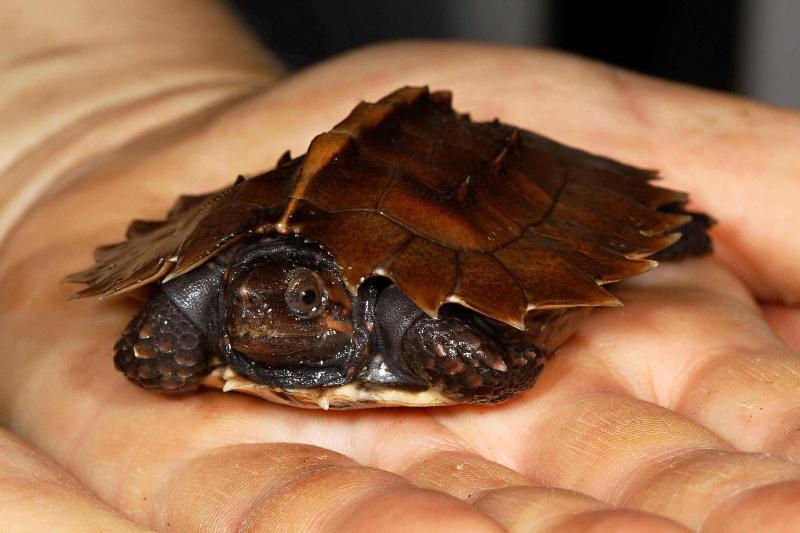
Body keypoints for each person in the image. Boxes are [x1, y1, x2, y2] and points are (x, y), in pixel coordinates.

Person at [1, 2, 799, 531]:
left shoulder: (401, 316)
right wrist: (69, 124)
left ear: (348, 301)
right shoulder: (211, 294)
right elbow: (174, 322)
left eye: (310, 300)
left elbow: (476, 350)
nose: (260, 313)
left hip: (467, 183)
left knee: (664, 236)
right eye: (245, 298)